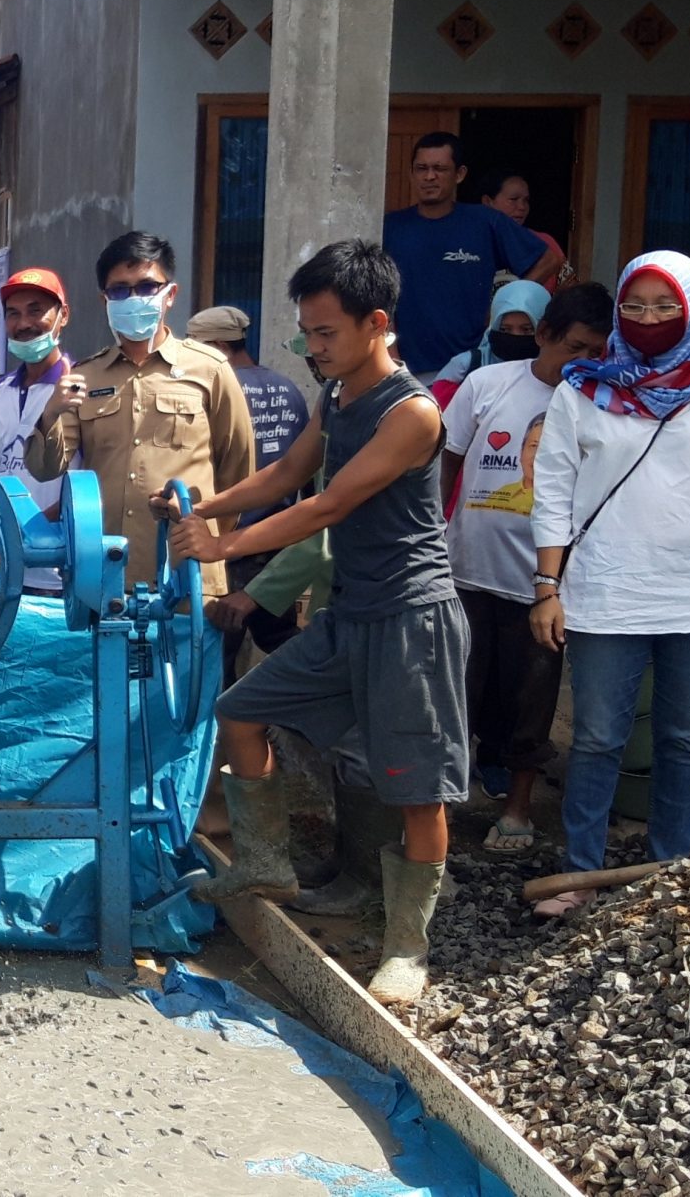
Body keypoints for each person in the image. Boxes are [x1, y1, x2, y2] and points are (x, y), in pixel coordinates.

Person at [157, 239, 465, 1005]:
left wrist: (222, 545)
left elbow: (325, 505)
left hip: (410, 620)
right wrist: (204, 503)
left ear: (377, 324)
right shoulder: (335, 399)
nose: (314, 348)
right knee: (242, 709)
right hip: (350, 610)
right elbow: (290, 472)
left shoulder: (413, 413)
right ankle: (267, 863)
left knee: (416, 790)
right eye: (307, 334)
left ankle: (407, 947)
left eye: (326, 334)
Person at [526, 251, 690, 917]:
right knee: (596, 738)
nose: (648, 318)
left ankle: (670, 868)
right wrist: (547, 586)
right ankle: (581, 873)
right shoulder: (582, 388)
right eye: (635, 306)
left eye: (664, 305)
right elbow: (552, 493)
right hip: (606, 590)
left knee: (682, 737)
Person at [440, 283, 614, 853]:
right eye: (576, 348)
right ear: (542, 336)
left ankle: (517, 809)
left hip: (544, 590)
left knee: (531, 701)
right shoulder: (486, 385)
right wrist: (443, 538)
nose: (585, 363)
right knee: (452, 693)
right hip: (467, 574)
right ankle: (434, 809)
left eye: (598, 352)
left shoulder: (604, 405)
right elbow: (450, 463)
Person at [27, 232, 255, 595]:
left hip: (187, 576)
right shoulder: (86, 376)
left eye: (147, 287)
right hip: (106, 577)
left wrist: (208, 535)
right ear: (105, 300)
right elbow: (44, 469)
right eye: (119, 290)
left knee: (189, 653)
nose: (134, 299)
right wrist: (51, 413)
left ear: (171, 295)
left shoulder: (210, 369)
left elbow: (238, 470)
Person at [190, 304, 310, 672]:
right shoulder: (288, 388)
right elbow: (302, 475)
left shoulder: (215, 391)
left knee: (214, 661)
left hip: (227, 548)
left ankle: (227, 730)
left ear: (219, 347)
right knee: (283, 647)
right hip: (279, 548)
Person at [383, 133, 562, 379]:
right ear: (412, 173)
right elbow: (377, 295)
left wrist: (504, 304)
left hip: (473, 366)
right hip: (408, 367)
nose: (429, 176)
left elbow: (549, 260)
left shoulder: (484, 222)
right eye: (421, 168)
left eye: (440, 168)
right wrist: (389, 352)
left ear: (460, 174)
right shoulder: (391, 227)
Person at [0, 267, 75, 593]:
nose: (23, 324)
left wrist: (31, 527)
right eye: (13, 314)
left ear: (63, 316)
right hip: (7, 566)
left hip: (63, 569)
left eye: (36, 311)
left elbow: (96, 480)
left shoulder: (79, 389)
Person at [435, 280, 550, 390]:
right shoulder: (464, 367)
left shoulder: (556, 374)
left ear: (543, 330)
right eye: (505, 330)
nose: (515, 336)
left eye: (527, 329)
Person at [477, 170, 576, 294]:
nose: (522, 207)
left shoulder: (545, 242)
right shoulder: (470, 242)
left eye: (526, 200)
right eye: (513, 199)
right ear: (487, 202)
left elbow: (572, 294)